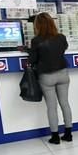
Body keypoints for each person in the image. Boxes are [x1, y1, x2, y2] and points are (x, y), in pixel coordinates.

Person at [28, 12, 73, 145]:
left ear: (37, 25)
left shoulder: (36, 41)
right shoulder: (61, 37)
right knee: (65, 103)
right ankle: (68, 134)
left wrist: (29, 51)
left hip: (47, 76)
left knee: (51, 107)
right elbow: (63, 49)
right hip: (63, 74)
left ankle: (55, 137)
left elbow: (33, 60)